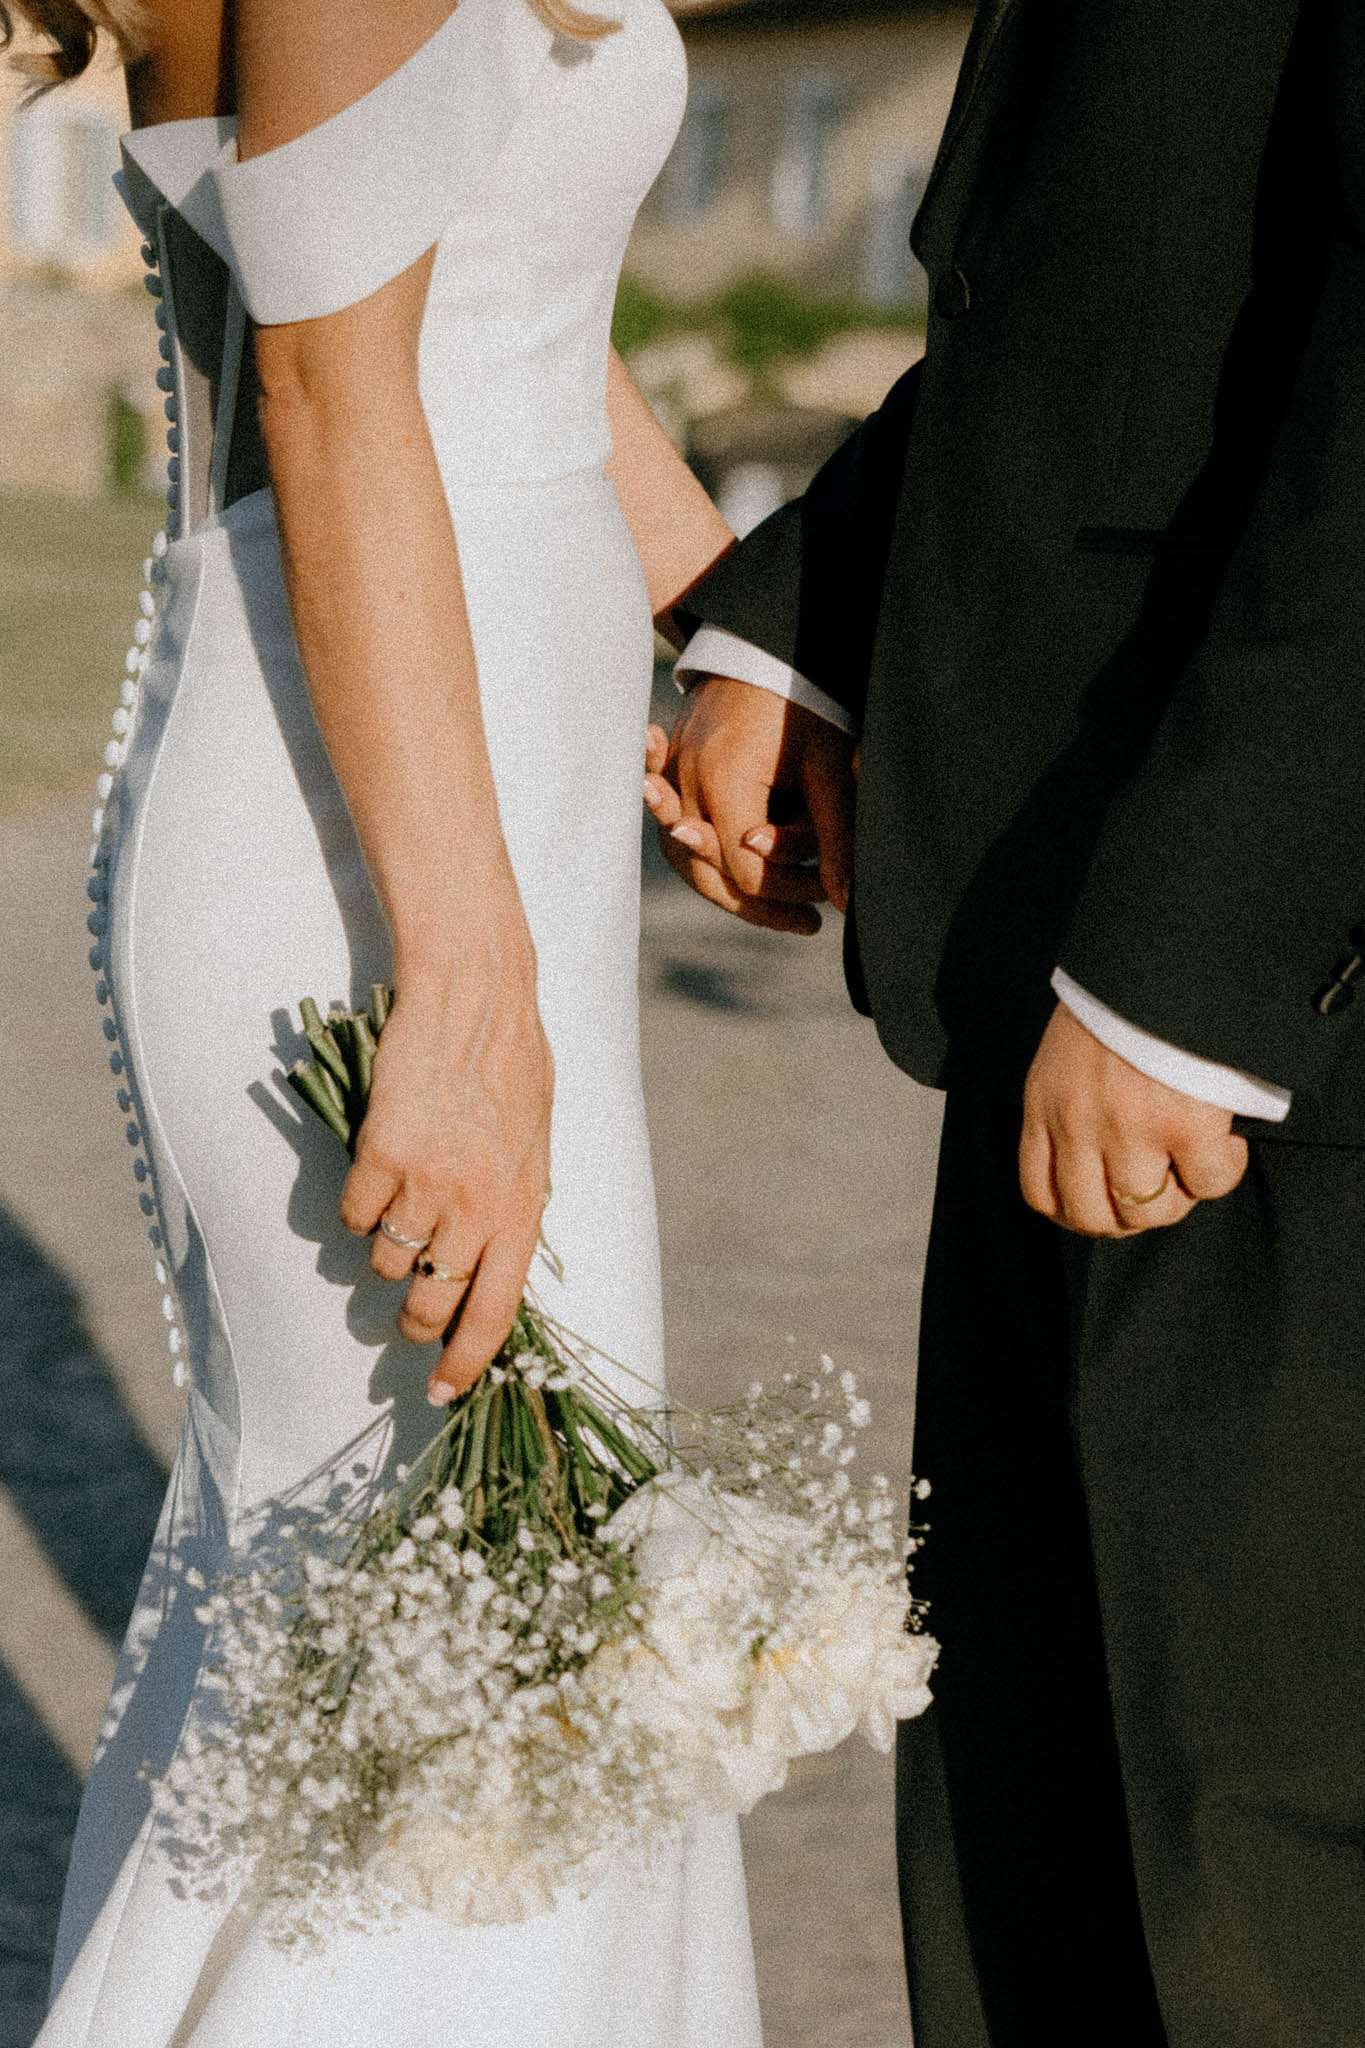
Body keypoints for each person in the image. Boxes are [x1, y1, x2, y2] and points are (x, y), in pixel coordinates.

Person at [6, 0, 766, 2040]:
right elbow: (337, 397)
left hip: (472, 805)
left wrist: (738, 625)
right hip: (360, 849)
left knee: (446, 1629)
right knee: (473, 1635)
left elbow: (503, 306)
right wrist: (468, 983)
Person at [644, 1, 1365, 2042]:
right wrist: (809, 612)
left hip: (1253, 1004)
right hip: (1054, 941)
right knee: (1027, 1850)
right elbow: (1116, 293)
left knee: (1257, 1883)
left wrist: (1197, 965)